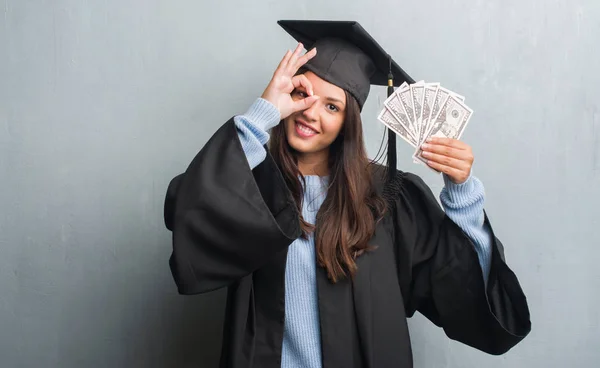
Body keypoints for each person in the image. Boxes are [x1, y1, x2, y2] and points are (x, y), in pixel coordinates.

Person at [164, 20, 531, 368]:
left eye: (332, 106)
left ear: (348, 122)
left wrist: (461, 192)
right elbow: (193, 214)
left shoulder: (388, 198)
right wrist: (261, 114)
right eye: (302, 93)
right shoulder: (251, 185)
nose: (310, 113)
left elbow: (460, 289)